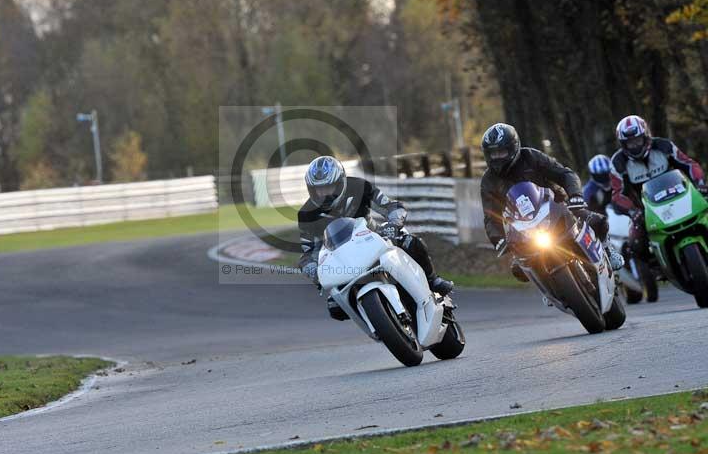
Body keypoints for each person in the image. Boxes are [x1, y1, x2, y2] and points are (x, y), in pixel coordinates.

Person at [298, 156, 454, 320]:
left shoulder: (359, 187)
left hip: (374, 238)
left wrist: (393, 224)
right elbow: (309, 252)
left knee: (411, 242)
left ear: (339, 182)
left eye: (328, 187)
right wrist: (314, 270)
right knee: (336, 309)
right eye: (318, 189)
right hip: (341, 258)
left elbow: (390, 206)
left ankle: (432, 280)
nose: (323, 193)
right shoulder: (307, 214)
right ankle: (377, 320)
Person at [479, 123, 624, 279]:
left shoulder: (531, 157)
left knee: (597, 221)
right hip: (522, 228)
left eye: (502, 152)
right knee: (518, 270)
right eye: (493, 154)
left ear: (513, 147)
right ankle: (548, 288)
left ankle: (607, 249)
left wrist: (574, 195)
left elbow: (565, 174)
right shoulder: (488, 181)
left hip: (555, 207)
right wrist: (498, 239)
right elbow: (490, 216)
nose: (497, 157)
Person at [610, 114, 706, 260]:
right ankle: (652, 268)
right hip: (645, 210)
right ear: (623, 144)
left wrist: (700, 183)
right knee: (635, 243)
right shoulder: (618, 163)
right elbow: (617, 194)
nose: (635, 146)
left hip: (680, 194)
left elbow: (689, 164)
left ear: (646, 136)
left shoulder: (664, 146)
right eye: (630, 143)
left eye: (637, 140)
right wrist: (632, 210)